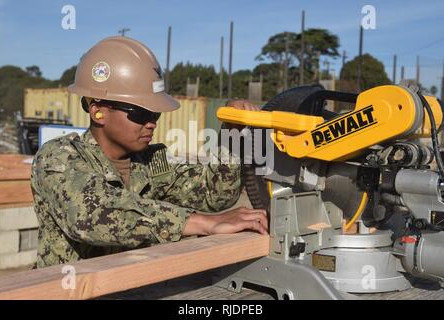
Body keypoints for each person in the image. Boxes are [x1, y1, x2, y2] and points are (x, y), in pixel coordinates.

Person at [31, 36, 268, 268]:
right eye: (140, 113)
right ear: (98, 111)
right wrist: (202, 223)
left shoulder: (150, 162)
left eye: (155, 114)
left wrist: (233, 132)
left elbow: (214, 194)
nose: (151, 123)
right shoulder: (59, 157)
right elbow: (91, 215)